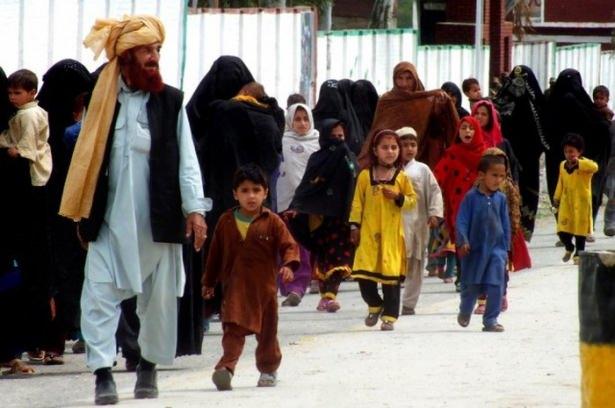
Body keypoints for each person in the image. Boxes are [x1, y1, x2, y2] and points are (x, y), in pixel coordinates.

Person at [58, 15, 210, 405]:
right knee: (98, 296)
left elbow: (187, 161)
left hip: (158, 221)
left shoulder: (171, 101)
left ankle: (148, 366)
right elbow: (86, 159)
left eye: (157, 50)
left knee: (158, 302)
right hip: (110, 221)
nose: (153, 57)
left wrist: (195, 209)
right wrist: (82, 211)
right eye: (146, 50)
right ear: (125, 57)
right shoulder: (101, 101)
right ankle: (102, 373)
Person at [203, 164, 299, 391]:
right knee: (232, 331)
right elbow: (214, 254)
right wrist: (209, 282)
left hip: (264, 291)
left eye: (256, 190)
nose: (251, 196)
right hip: (235, 290)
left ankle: (268, 369)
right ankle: (226, 368)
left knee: (267, 334)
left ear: (266, 192)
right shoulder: (226, 221)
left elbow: (289, 246)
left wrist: (288, 265)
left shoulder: (272, 221)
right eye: (245, 191)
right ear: (235, 194)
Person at [37, 59, 94, 364]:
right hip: (50, 211)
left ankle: (63, 333)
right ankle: (52, 337)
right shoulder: (43, 123)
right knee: (59, 272)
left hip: (64, 210)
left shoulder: (72, 126)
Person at [0, 68, 53, 363]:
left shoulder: (29, 116)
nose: (12, 97)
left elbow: (28, 148)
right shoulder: (26, 113)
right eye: (9, 93)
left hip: (31, 184)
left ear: (32, 93)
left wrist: (12, 152)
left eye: (17, 93)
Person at [288, 119, 358, 312]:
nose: (338, 141)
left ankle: (329, 296)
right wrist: (297, 206)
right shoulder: (317, 159)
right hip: (319, 219)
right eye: (333, 136)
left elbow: (355, 186)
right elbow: (307, 185)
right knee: (323, 257)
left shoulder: (350, 158)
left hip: (342, 218)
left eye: (341, 136)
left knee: (339, 257)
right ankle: (324, 297)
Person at [350, 129, 417, 331]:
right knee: (363, 275)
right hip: (368, 235)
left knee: (390, 279)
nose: (390, 151)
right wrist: (354, 226)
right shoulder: (365, 176)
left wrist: (398, 197)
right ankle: (374, 305)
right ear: (375, 150)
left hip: (391, 236)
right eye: (385, 147)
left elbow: (412, 201)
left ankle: (389, 316)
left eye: (394, 147)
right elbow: (357, 203)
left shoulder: (401, 178)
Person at [545, 69, 610, 243]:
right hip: (571, 161)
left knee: (574, 196)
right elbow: (600, 129)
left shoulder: (553, 106)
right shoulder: (584, 105)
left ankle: (578, 230)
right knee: (569, 196)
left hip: (567, 161)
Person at [359, 62, 458, 169]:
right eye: (400, 78)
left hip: (420, 157)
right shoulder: (387, 100)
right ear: (394, 79)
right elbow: (378, 130)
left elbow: (437, 128)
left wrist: (439, 107)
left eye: (409, 78)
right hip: (390, 156)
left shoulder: (427, 100)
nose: (404, 83)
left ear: (415, 79)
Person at [456, 152, 510, 333]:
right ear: (481, 175)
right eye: (494, 175)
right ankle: (465, 310)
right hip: (475, 250)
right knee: (471, 287)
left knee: (496, 284)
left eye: (502, 176)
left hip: (496, 250)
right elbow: (462, 220)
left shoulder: (501, 199)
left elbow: (505, 224)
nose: (498, 180)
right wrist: (463, 240)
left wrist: (506, 250)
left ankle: (490, 320)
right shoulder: (471, 198)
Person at [493, 65, 548, 241]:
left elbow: (543, 135)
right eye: (515, 81)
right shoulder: (502, 103)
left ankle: (521, 233)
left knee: (525, 192)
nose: (518, 86)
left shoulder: (536, 107)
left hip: (529, 160)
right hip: (506, 158)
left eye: (522, 81)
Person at [276, 103, 320, 306]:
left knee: (303, 246)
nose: (302, 123)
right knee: (284, 244)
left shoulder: (317, 142)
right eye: (297, 119)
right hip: (285, 200)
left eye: (305, 119)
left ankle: (298, 286)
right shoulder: (283, 141)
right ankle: (286, 285)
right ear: (290, 121)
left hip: (308, 202)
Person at [397, 127, 443, 315]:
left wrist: (434, 213)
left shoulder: (422, 169)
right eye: (405, 145)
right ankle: (389, 301)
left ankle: (409, 304)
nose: (409, 149)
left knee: (416, 264)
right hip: (394, 225)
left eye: (413, 145)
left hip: (417, 223)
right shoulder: (388, 169)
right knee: (392, 265)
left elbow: (435, 191)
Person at [554, 134, 598, 264]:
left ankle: (579, 253)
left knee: (580, 231)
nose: (569, 154)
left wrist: (579, 162)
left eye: (572, 151)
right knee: (562, 230)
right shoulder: (562, 165)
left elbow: (595, 167)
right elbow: (560, 182)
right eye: (566, 152)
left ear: (579, 152)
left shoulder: (585, 165)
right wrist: (556, 197)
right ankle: (569, 247)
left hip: (581, 202)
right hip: (566, 202)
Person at [594, 86, 615, 236]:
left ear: (608, 99)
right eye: (597, 98)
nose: (599, 101)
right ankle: (589, 226)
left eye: (602, 98)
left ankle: (609, 223)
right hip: (595, 162)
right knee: (594, 196)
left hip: (611, 163)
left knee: (613, 193)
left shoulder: (611, 119)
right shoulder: (589, 114)